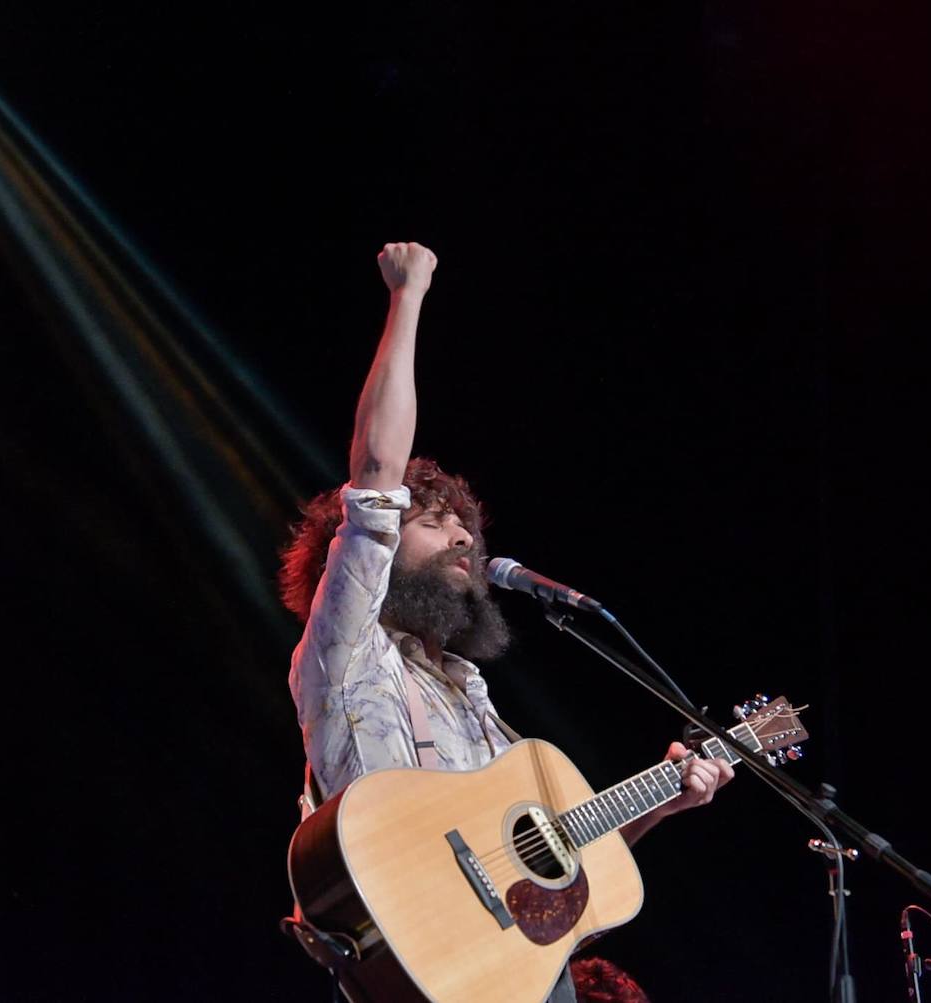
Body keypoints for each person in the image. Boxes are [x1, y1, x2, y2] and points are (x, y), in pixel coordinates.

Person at [280, 241, 735, 1003]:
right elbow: (377, 477)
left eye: (467, 524)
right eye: (436, 522)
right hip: (418, 967)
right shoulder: (348, 649)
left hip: (512, 974)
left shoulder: (470, 691)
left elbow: (552, 874)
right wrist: (409, 294)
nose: (464, 536)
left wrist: (668, 798)